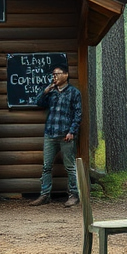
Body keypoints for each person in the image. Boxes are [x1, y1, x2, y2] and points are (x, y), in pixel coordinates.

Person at [30, 60, 83, 207]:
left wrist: (72, 131)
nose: (54, 76)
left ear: (66, 75)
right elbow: (38, 102)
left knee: (70, 167)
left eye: (57, 74)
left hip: (66, 135)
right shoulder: (51, 92)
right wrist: (47, 89)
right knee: (46, 166)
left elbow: (78, 114)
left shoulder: (74, 92)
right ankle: (45, 195)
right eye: (53, 74)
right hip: (50, 134)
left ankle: (73, 195)